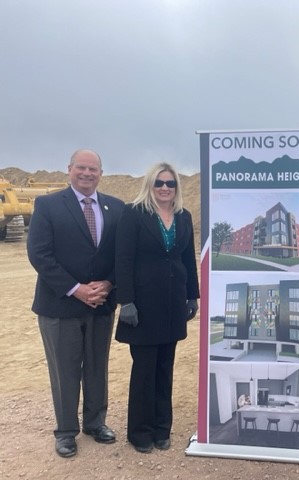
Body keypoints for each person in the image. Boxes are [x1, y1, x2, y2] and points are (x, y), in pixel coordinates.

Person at [27, 149, 125, 458]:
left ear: (101, 173)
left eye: (93, 169)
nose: (87, 173)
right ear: (69, 169)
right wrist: (75, 289)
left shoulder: (116, 208)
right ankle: (66, 431)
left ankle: (95, 423)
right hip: (60, 306)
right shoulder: (48, 205)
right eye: (81, 168)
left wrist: (109, 283)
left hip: (101, 304)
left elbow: (122, 255)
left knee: (97, 367)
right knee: (65, 371)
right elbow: (40, 254)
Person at [114, 162, 200, 453]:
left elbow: (188, 258)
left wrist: (192, 296)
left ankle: (162, 429)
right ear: (150, 185)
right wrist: (125, 301)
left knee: (165, 368)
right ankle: (140, 432)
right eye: (159, 183)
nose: (165, 188)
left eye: (170, 183)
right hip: (141, 306)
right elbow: (123, 259)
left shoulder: (183, 216)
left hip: (172, 304)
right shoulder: (134, 213)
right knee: (144, 371)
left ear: (177, 187)